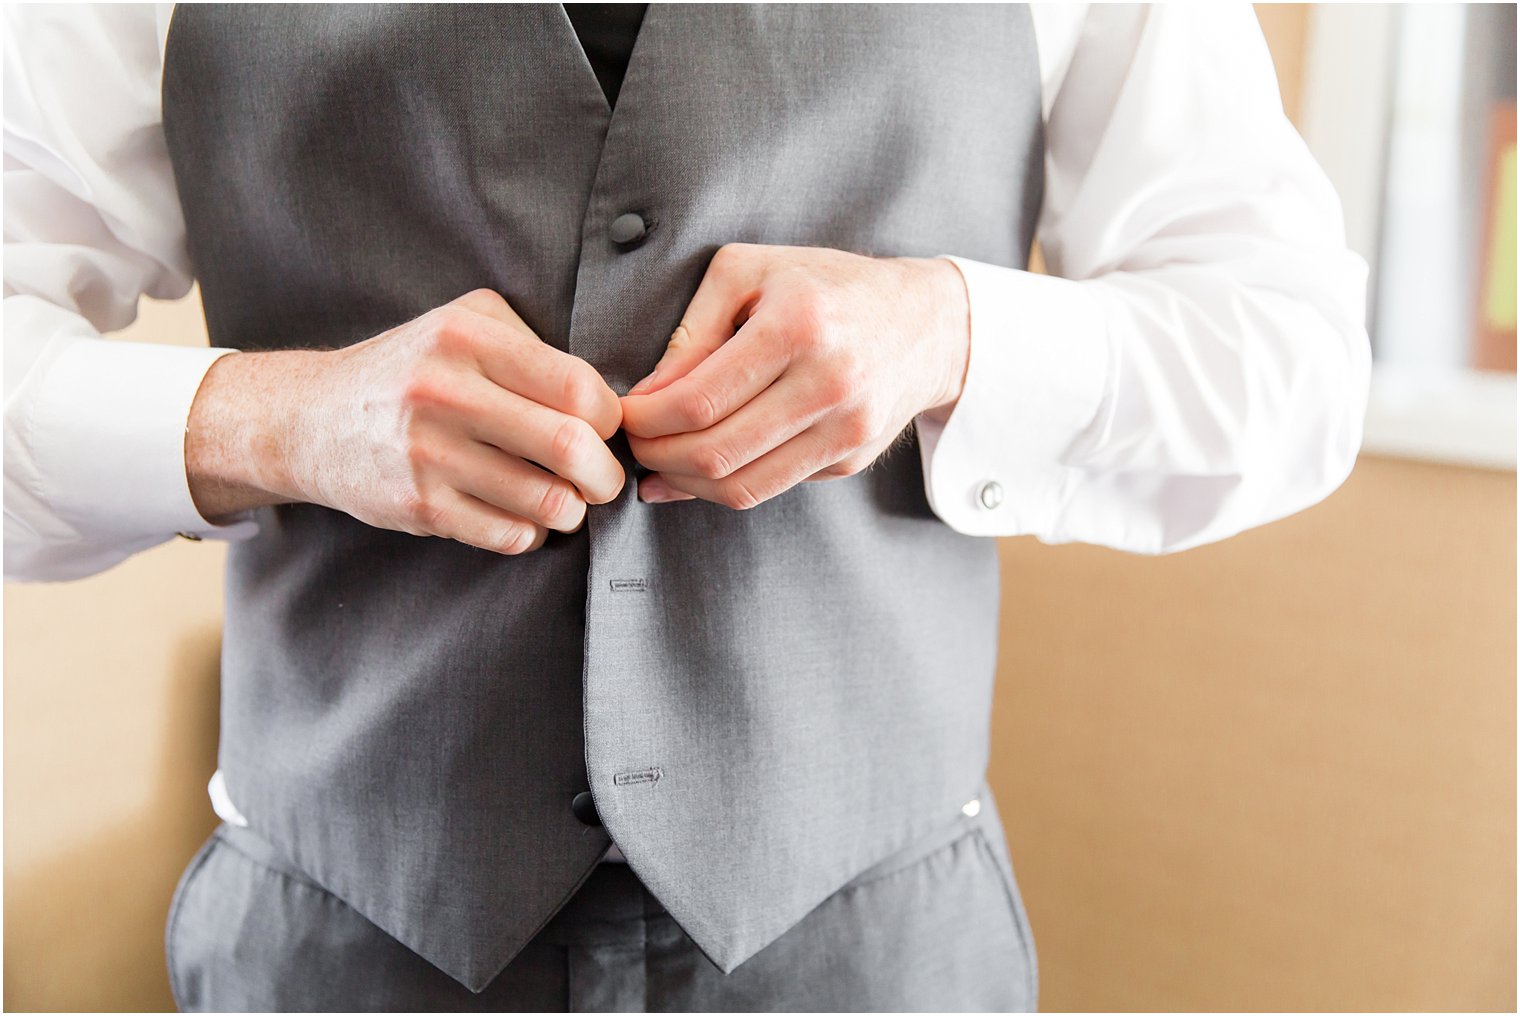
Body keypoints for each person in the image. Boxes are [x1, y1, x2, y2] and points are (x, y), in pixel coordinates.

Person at [3, 3, 1370, 1011]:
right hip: (339, 945)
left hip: (873, 952)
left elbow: (1295, 363)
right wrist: (277, 422)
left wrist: (951, 331)